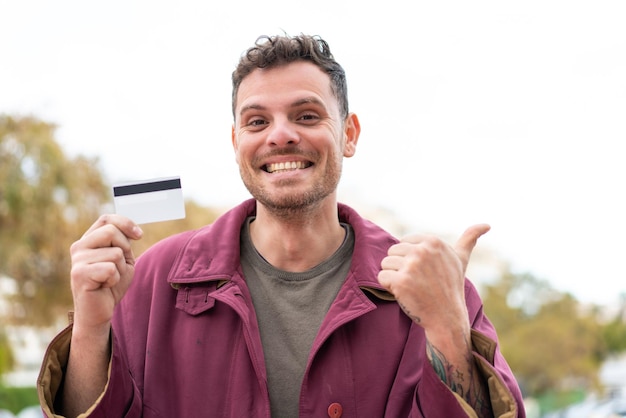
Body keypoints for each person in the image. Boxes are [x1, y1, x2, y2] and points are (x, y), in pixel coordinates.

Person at [38, 34, 525, 418]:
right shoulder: (150, 281)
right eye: (256, 122)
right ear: (235, 143)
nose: (281, 135)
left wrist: (446, 329)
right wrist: (90, 327)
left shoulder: (434, 288)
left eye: (306, 115)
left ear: (348, 134)